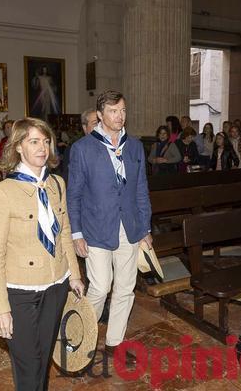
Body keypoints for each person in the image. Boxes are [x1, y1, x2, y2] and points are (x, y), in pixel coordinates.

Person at [0, 118, 83, 391]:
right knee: (28, 363)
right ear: (17, 147)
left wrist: (74, 274)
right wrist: (0, 308)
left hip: (56, 285)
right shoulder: (3, 192)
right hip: (20, 292)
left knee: (43, 360)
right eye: (34, 142)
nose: (43, 148)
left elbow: (64, 232)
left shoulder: (57, 184)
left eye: (46, 141)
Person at [68, 90, 152, 361]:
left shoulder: (135, 146)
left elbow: (141, 189)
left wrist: (145, 229)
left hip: (128, 226)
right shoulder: (83, 148)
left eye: (123, 110)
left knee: (126, 287)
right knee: (101, 286)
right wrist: (76, 233)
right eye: (114, 111)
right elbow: (74, 194)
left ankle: (115, 342)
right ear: (100, 115)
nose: (120, 116)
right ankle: (80, 334)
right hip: (96, 228)